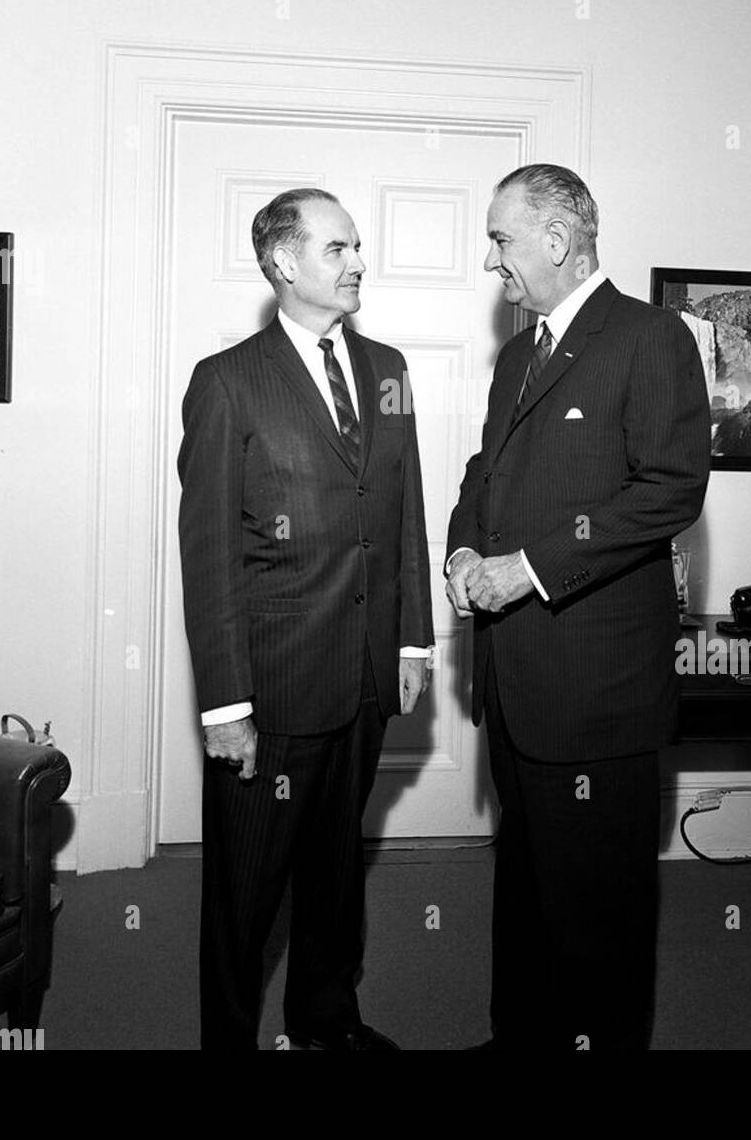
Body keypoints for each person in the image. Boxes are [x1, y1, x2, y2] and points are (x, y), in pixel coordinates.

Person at [445, 164, 711, 1050]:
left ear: (556, 241)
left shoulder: (651, 338)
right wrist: (461, 548)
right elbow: (485, 476)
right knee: (523, 887)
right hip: (514, 682)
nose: (491, 261)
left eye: (500, 239)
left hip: (597, 693)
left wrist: (529, 567)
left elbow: (670, 492)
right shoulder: (520, 353)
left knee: (598, 916)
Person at [178, 187, 434, 1051]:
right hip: (273, 689)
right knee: (246, 894)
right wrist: (224, 705)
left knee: (336, 875)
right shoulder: (227, 384)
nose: (357, 262)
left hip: (362, 677)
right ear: (285, 264)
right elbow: (207, 554)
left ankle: (325, 1024)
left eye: (357, 246)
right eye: (337, 249)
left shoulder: (390, 370)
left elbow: (403, 511)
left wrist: (411, 636)